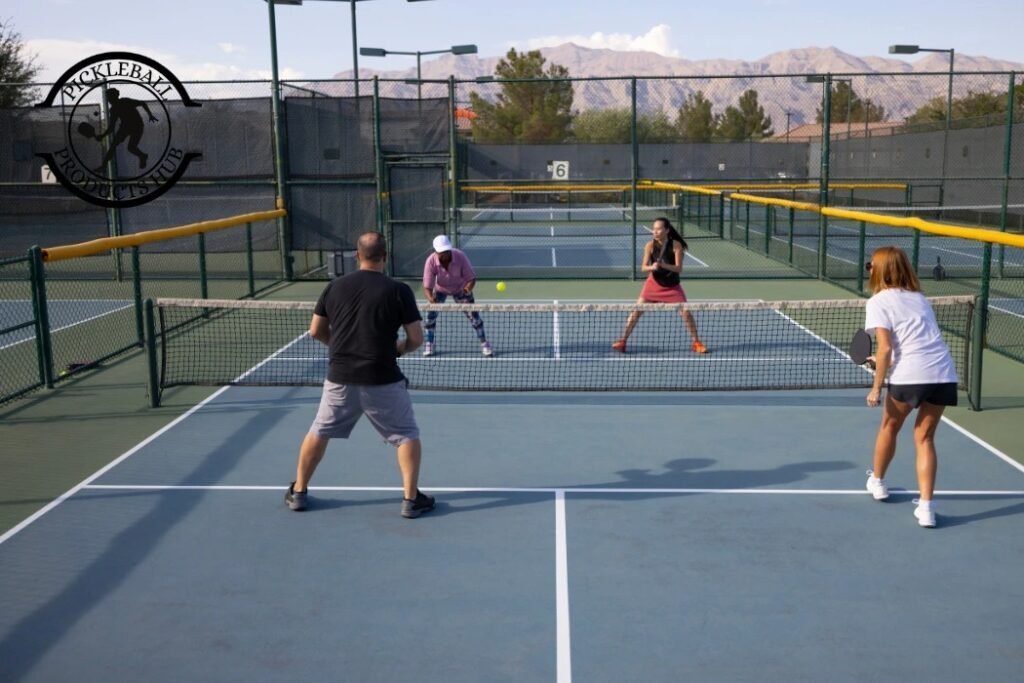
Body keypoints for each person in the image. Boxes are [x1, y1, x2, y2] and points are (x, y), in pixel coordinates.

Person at [285, 231, 435, 519]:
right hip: (383, 377)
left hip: (340, 378)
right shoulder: (399, 290)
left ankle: (299, 491)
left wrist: (340, 347)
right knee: (406, 435)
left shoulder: (334, 287)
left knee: (319, 430)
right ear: (385, 257)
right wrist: (400, 349)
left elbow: (315, 331)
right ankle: (411, 499)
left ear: (357, 255)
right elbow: (416, 338)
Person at [862, 246, 958, 529]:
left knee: (889, 427)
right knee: (925, 438)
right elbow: (914, 342)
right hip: (942, 374)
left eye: (871, 265)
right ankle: (926, 509)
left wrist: (876, 388)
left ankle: (878, 482)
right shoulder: (920, 299)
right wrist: (883, 361)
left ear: (880, 270)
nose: (868, 268)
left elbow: (886, 348)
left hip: (910, 375)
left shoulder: (877, 302)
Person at [612, 217, 707, 354]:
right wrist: (652, 267)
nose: (655, 231)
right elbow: (643, 267)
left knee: (686, 313)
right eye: (654, 229)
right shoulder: (650, 245)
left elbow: (678, 268)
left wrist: (663, 265)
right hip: (653, 284)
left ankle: (696, 342)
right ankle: (623, 341)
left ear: (667, 230)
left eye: (658, 229)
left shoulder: (676, 245)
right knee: (636, 311)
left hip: (672, 286)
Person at [422, 234, 493, 357]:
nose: (445, 254)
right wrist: (431, 299)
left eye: (446, 251)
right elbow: (427, 286)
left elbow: (471, 278)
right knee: (430, 317)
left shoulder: (460, 256)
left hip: (461, 289)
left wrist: (467, 290)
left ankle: (484, 343)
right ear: (435, 251)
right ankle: (429, 343)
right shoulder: (431, 261)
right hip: (440, 289)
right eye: (441, 252)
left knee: (475, 318)